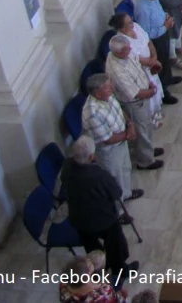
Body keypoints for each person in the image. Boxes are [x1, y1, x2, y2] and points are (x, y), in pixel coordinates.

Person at [60, 137, 137, 283]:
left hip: (79, 219)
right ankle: (119, 269)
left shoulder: (67, 166)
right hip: (103, 219)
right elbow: (116, 193)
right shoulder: (99, 175)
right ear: (91, 156)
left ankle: (96, 270)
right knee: (115, 242)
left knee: (91, 246)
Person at [105, 34, 163, 171]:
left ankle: (148, 150)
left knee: (146, 125)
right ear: (118, 52)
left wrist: (149, 82)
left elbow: (137, 62)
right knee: (141, 129)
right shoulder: (116, 71)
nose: (130, 51)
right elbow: (134, 92)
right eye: (127, 50)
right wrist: (151, 92)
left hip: (143, 94)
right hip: (134, 103)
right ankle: (145, 161)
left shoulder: (126, 53)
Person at [81, 75, 140, 203]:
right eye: (108, 87)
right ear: (98, 94)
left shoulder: (108, 95)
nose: (112, 88)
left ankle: (126, 194)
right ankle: (118, 211)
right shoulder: (92, 113)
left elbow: (119, 110)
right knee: (115, 180)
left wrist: (129, 124)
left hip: (121, 141)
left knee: (125, 168)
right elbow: (107, 139)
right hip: (109, 151)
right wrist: (129, 135)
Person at [110, 11, 170, 119]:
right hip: (142, 69)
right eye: (128, 23)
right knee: (148, 95)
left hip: (151, 63)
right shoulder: (122, 41)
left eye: (130, 20)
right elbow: (135, 58)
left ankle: (156, 112)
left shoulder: (136, 27)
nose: (132, 23)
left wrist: (154, 57)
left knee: (156, 88)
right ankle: (151, 117)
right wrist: (151, 62)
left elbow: (149, 42)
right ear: (121, 28)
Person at [133, 0, 176, 92]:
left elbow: (160, 11)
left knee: (166, 57)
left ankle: (169, 77)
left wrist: (166, 16)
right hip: (156, 39)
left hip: (163, 32)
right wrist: (165, 27)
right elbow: (146, 32)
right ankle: (164, 89)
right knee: (160, 62)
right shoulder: (143, 9)